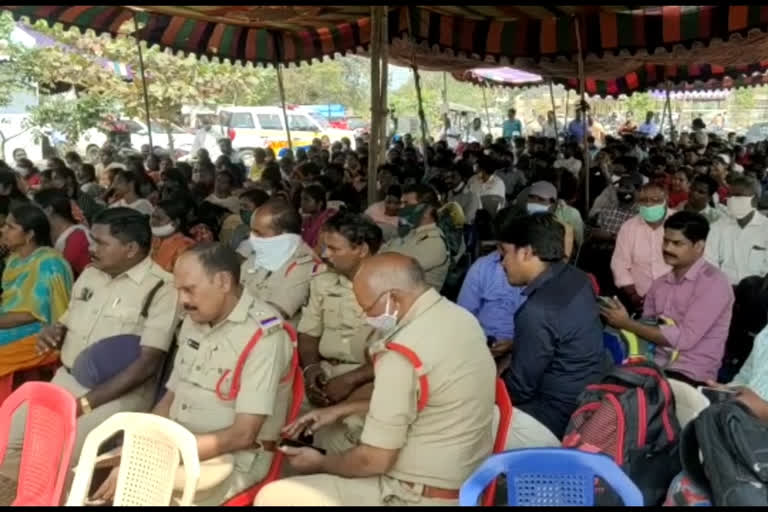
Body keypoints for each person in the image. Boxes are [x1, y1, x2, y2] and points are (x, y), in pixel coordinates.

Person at [255, 253, 495, 506]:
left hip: (414, 494)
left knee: (273, 496)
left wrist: (322, 463)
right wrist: (341, 410)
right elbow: (429, 398)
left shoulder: (402, 353)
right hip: (464, 478)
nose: (365, 315)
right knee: (325, 436)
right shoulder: (460, 319)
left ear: (394, 298)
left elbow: (374, 459)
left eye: (368, 308)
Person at [91, 243, 294, 505]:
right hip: (179, 444)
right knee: (99, 468)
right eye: (178, 290)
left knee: (131, 485)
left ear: (222, 282)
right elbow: (170, 398)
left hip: (231, 459)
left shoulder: (264, 337)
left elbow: (242, 436)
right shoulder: (194, 319)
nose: (182, 300)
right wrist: (141, 443)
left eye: (189, 289)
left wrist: (151, 457)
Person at [0, 208, 179, 483]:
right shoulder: (91, 274)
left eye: (101, 243)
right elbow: (67, 320)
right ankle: (25, 496)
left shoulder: (162, 290)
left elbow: (147, 365)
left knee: (63, 460)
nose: (91, 248)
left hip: (116, 395)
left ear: (130, 248)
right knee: (8, 440)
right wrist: (54, 331)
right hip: (66, 380)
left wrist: (84, 404)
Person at [498, 213, 606, 445]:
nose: (502, 263)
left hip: (553, 416)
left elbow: (521, 389)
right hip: (588, 396)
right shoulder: (578, 278)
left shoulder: (538, 311)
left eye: (504, 254)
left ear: (526, 252)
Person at [602, 212, 734, 388]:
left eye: (677, 243)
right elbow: (647, 327)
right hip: (653, 365)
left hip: (690, 373)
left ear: (699, 246)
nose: (667, 248)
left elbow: (684, 339)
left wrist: (626, 323)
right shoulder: (660, 283)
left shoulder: (714, 284)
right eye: (665, 241)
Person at [298, 213, 382, 452]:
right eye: (326, 247)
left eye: (334, 248)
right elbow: (308, 332)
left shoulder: (390, 285)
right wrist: (311, 368)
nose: (325, 254)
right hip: (324, 372)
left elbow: (398, 352)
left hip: (370, 376)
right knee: (279, 415)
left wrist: (350, 380)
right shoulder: (322, 280)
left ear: (362, 249)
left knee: (343, 436)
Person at [0, 205, 73, 380]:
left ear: (30, 235)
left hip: (42, 332)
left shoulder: (49, 263)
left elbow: (31, 315)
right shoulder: (15, 258)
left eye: (10, 227)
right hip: (11, 321)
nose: (2, 230)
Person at [457, 207, 525, 359]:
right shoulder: (482, 267)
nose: (501, 253)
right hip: (480, 346)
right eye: (498, 246)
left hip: (523, 350)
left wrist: (514, 344)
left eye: (505, 248)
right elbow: (464, 315)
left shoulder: (534, 273)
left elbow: (539, 328)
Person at [241, 197, 323, 322]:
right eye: (252, 231)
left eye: (259, 233)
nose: (252, 237)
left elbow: (272, 317)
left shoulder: (304, 266)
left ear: (284, 236)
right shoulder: (259, 256)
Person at [611, 183, 673, 312]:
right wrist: (634, 295)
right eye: (644, 201)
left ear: (665, 200)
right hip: (639, 297)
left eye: (655, 200)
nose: (649, 205)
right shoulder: (628, 227)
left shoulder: (679, 222)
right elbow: (619, 264)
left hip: (676, 297)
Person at [380, 184, 450, 291]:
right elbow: (383, 252)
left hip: (416, 304)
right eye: (401, 203)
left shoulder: (435, 242)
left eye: (406, 203)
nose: (401, 207)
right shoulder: (410, 232)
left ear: (427, 211)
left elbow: (396, 268)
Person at [705, 175, 768, 285]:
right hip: (722, 289)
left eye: (738, 195)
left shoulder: (765, 228)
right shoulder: (717, 227)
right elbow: (709, 262)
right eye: (730, 195)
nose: (732, 199)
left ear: (755, 200)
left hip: (758, 293)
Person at [33, 189, 91, 277]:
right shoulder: (47, 236)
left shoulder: (78, 238)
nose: (31, 216)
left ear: (49, 210)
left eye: (35, 210)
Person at [525, 181, 576, 260]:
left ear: (552, 204)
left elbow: (563, 263)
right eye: (531, 197)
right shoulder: (520, 222)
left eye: (541, 199)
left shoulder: (565, 229)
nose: (534, 202)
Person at [150, 199, 196, 273]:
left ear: (175, 223)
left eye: (159, 218)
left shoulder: (186, 246)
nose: (153, 222)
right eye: (153, 216)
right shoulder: (153, 238)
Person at [300, 184, 338, 252]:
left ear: (320, 203)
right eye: (302, 199)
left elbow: (322, 250)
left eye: (306, 200)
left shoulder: (327, 220)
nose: (302, 203)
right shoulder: (307, 221)